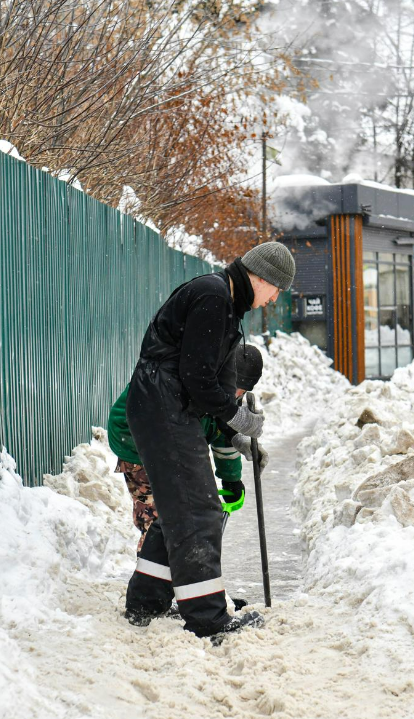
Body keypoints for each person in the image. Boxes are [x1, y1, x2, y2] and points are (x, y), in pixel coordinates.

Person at [122, 242, 295, 641]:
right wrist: (237, 416)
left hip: (166, 406)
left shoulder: (227, 304)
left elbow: (216, 381)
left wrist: (235, 434)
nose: (274, 299)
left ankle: (146, 602)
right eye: (276, 289)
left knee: (179, 508)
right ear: (261, 277)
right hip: (162, 406)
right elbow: (198, 378)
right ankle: (207, 618)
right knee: (199, 511)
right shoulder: (213, 296)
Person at [108, 344, 267, 551]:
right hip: (135, 435)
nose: (237, 394)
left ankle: (181, 563)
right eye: (236, 386)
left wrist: (231, 479)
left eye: (243, 390)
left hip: (176, 439)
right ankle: (153, 567)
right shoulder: (190, 377)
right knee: (160, 521)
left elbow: (220, 428)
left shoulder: (222, 390)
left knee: (188, 518)